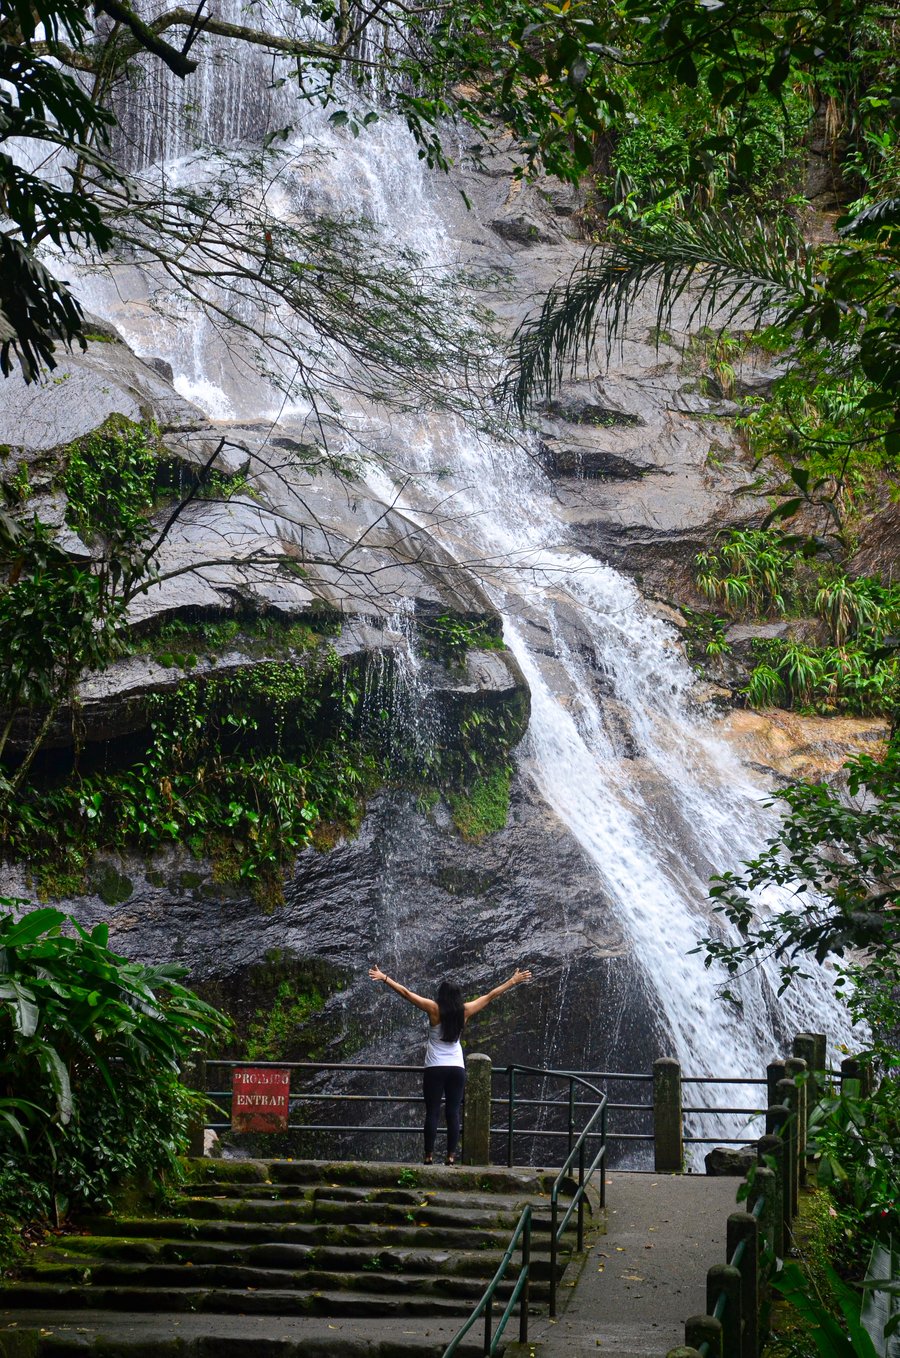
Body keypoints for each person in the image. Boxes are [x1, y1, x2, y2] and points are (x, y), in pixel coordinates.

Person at [368, 964, 532, 1164]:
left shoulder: (433, 1008)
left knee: (433, 1112)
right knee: (453, 1112)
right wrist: (512, 981)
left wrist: (384, 977)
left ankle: (428, 1156)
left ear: (441, 995)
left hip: (435, 1068)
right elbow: (490, 995)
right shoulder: (465, 1010)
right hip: (457, 1068)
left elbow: (406, 993)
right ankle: (451, 1156)